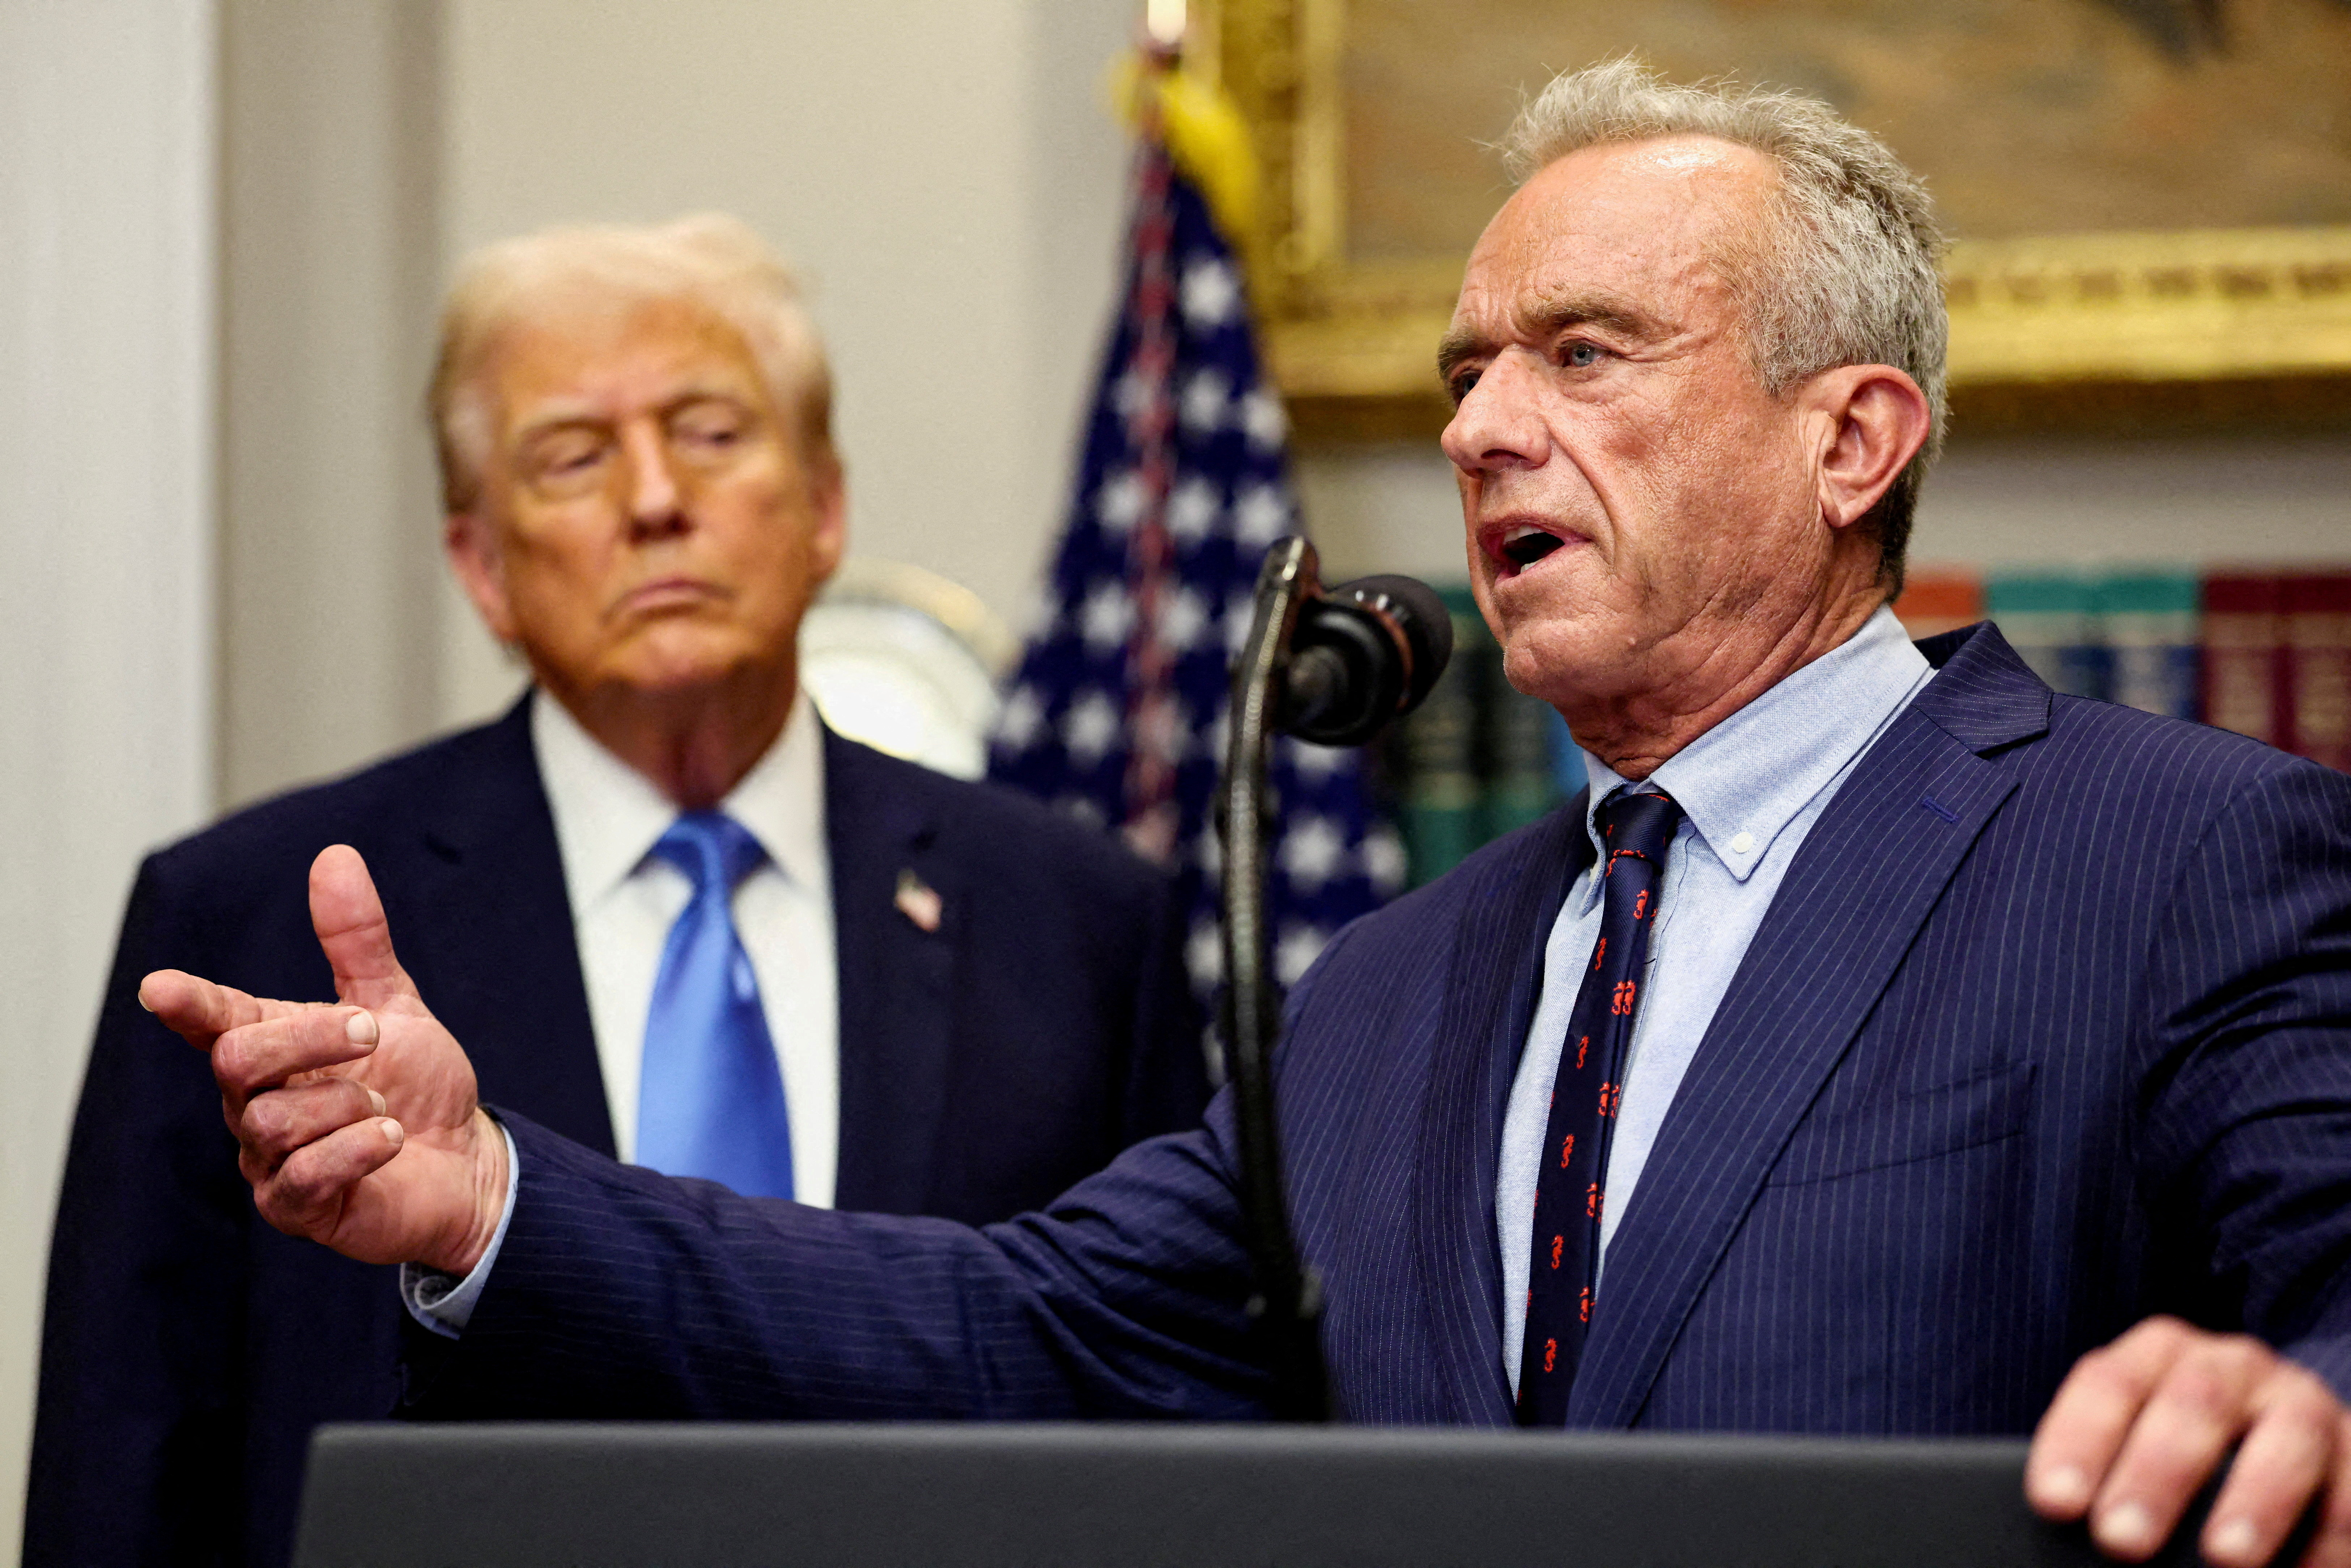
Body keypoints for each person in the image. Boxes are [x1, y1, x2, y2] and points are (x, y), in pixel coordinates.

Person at [146, 64, 2351, 1568]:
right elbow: (1007, 1333)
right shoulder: (1401, 985)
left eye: (1582, 356)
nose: (1486, 428)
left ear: (1852, 436)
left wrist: (2311, 1405)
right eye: (1464, 371)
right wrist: (485, 1202)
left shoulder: (2170, 858)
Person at [28, 216, 1209, 1568]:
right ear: (482, 568)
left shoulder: (1080, 920)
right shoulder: (249, 920)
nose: (654, 499)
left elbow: (1162, 1409)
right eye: (574, 456)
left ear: (822, 508)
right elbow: (121, 1477)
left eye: (709, 432)